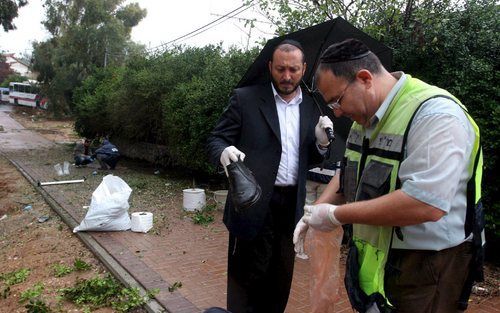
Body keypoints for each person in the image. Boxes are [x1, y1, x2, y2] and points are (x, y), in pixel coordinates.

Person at [294, 38, 484, 313]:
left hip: (428, 266)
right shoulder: (364, 118)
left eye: (337, 100)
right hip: (378, 261)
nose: (337, 112)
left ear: (364, 78)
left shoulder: (436, 115)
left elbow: (425, 203)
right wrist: (314, 212)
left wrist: (336, 215)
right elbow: (348, 170)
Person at [207, 39, 334, 313]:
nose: (286, 76)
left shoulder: (313, 106)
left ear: (303, 68)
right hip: (252, 203)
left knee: (280, 279)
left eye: (293, 70)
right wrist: (223, 152)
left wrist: (321, 144)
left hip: (290, 206)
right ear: (270, 67)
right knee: (246, 282)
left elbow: (306, 158)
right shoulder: (246, 98)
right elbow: (216, 139)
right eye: (280, 69)